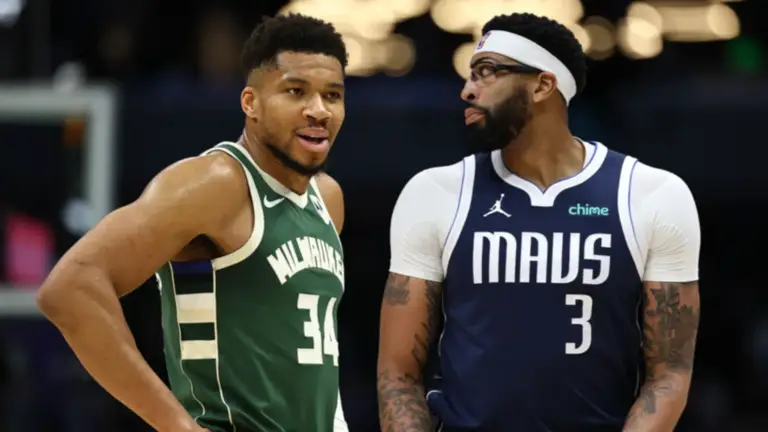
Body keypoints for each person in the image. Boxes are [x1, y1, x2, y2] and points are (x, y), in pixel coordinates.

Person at [377, 12, 700, 432]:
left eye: (486, 72)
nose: (467, 90)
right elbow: (397, 375)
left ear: (543, 85)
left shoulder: (651, 194)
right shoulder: (435, 192)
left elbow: (669, 374)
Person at [36, 13, 349, 432]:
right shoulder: (216, 183)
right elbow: (69, 289)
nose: (319, 110)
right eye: (296, 92)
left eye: (333, 95)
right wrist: (177, 426)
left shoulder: (327, 198)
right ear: (251, 103)